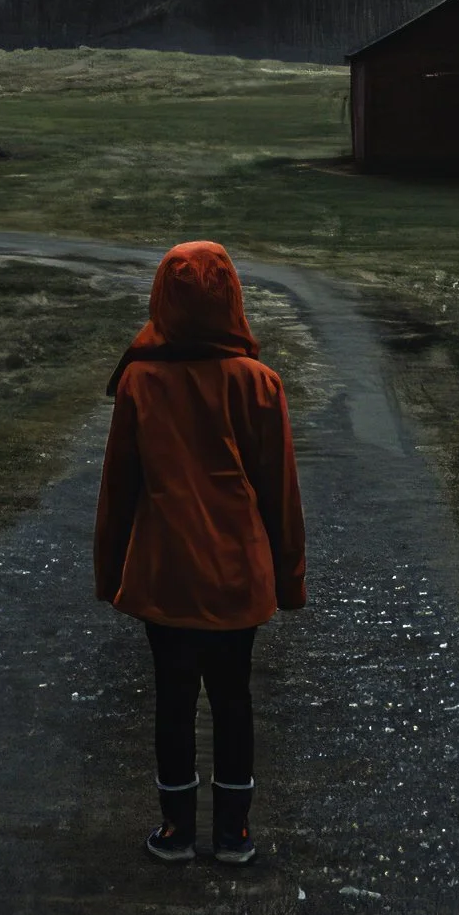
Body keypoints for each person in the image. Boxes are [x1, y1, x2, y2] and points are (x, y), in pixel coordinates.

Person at [93, 240, 306, 864]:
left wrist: (110, 575)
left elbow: (118, 490)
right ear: (233, 299)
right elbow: (281, 494)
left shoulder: (139, 380)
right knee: (234, 695)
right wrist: (290, 581)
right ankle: (234, 833)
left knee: (173, 696)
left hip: (167, 576)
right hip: (240, 575)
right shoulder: (260, 384)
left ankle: (178, 830)